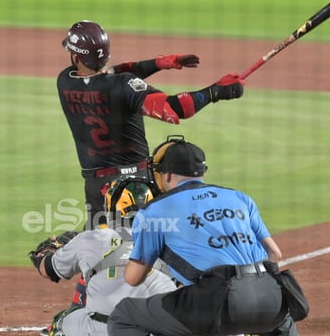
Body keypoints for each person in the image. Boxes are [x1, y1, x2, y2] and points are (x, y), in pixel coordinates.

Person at [107, 137, 318, 336]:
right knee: (278, 318)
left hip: (214, 302)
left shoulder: (155, 211)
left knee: (125, 315)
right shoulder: (239, 198)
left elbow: (133, 278)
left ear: (165, 175)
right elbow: (275, 254)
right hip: (268, 293)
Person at [29, 177, 287, 336]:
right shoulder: (178, 233)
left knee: (63, 322)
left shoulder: (91, 238)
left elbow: (49, 269)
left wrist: (47, 252)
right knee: (220, 313)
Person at [57, 20, 246, 229]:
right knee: (146, 246)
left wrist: (159, 63)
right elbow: (174, 109)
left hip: (96, 185)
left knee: (100, 247)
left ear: (75, 56)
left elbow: (110, 75)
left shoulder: (65, 81)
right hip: (137, 185)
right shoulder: (123, 86)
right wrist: (216, 91)